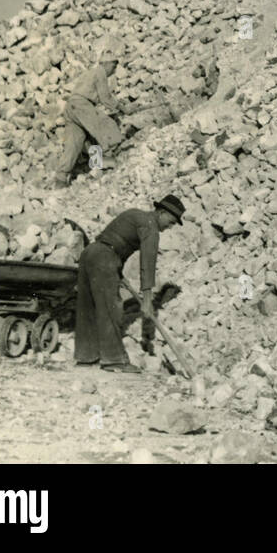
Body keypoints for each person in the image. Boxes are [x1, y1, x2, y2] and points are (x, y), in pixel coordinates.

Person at [74, 194, 186, 372]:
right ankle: (114, 360)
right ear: (162, 213)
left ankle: (86, 357)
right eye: (170, 222)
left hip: (90, 253)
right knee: (111, 307)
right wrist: (148, 299)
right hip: (105, 258)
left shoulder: (135, 214)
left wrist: (117, 271)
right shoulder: (151, 226)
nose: (169, 227)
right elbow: (147, 263)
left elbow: (114, 240)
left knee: (87, 307)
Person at [54, 54, 125, 186]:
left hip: (71, 106)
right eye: (114, 66)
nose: (114, 71)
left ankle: (61, 178)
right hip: (82, 105)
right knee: (104, 125)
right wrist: (122, 108)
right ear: (107, 64)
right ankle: (108, 158)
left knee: (74, 143)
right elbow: (105, 97)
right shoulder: (100, 72)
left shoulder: (90, 73)